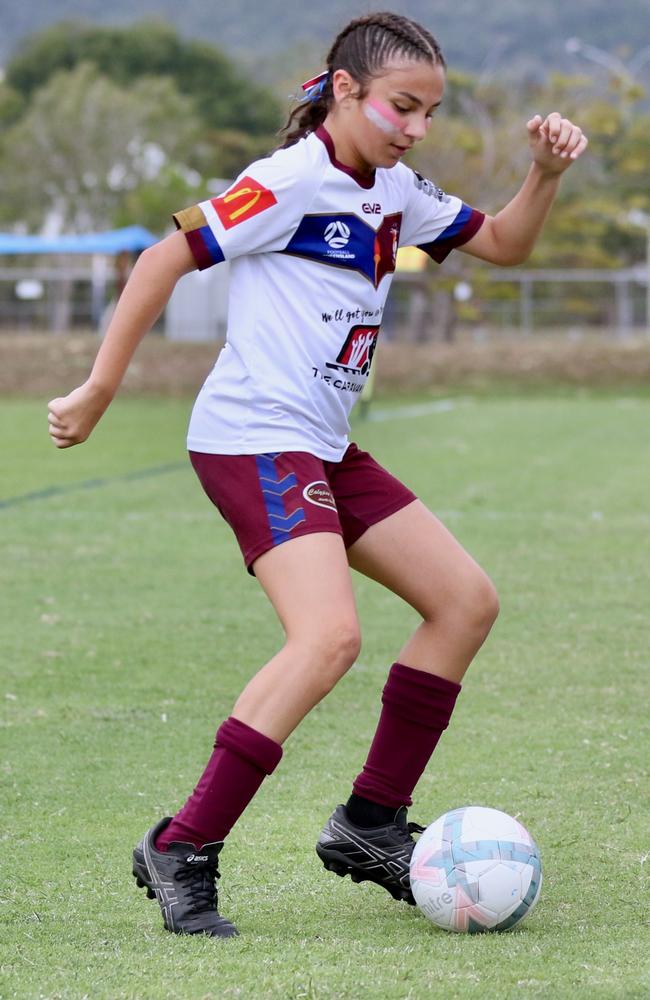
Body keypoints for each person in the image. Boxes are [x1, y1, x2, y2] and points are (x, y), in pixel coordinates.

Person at [47, 11, 587, 939]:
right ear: (347, 91)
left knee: (464, 602)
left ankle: (370, 822)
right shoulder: (289, 180)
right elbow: (165, 256)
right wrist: (100, 388)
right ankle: (183, 844)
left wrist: (542, 174)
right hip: (253, 436)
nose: (415, 128)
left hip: (323, 446)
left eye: (428, 112)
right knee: (327, 637)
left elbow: (504, 245)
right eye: (400, 108)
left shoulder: (397, 188)